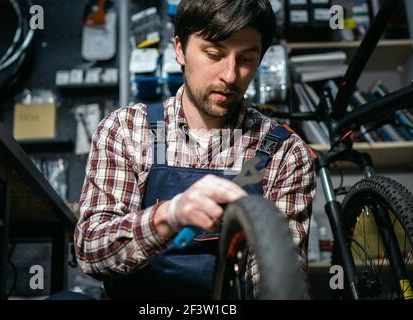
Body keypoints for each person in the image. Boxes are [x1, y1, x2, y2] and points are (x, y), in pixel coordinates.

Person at [75, 0, 316, 299]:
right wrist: (169, 216)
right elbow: (91, 251)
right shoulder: (128, 129)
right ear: (180, 49)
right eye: (214, 54)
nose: (230, 75)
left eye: (246, 59)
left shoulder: (284, 151)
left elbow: (276, 275)